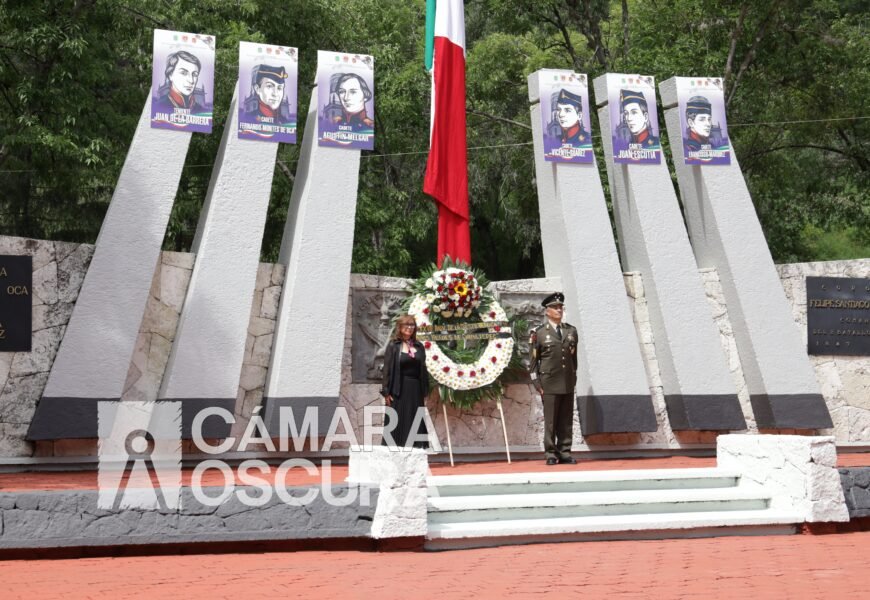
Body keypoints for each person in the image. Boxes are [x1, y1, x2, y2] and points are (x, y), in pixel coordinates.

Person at [529, 292, 579, 465]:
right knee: (551, 421)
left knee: (566, 420)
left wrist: (573, 378)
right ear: (547, 311)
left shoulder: (571, 331)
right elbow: (533, 363)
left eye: (560, 307)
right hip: (549, 383)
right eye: (555, 307)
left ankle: (565, 451)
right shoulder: (539, 333)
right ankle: (550, 453)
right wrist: (537, 384)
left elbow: (574, 359)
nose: (559, 310)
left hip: (567, 382)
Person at [380, 315, 429, 448]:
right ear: (400, 327)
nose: (409, 328)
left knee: (415, 420)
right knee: (396, 420)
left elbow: (423, 370)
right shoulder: (393, 345)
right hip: (398, 388)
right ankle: (393, 453)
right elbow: (387, 369)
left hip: (415, 390)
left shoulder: (419, 346)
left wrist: (425, 391)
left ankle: (416, 450)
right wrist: (386, 392)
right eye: (406, 325)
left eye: (412, 325)